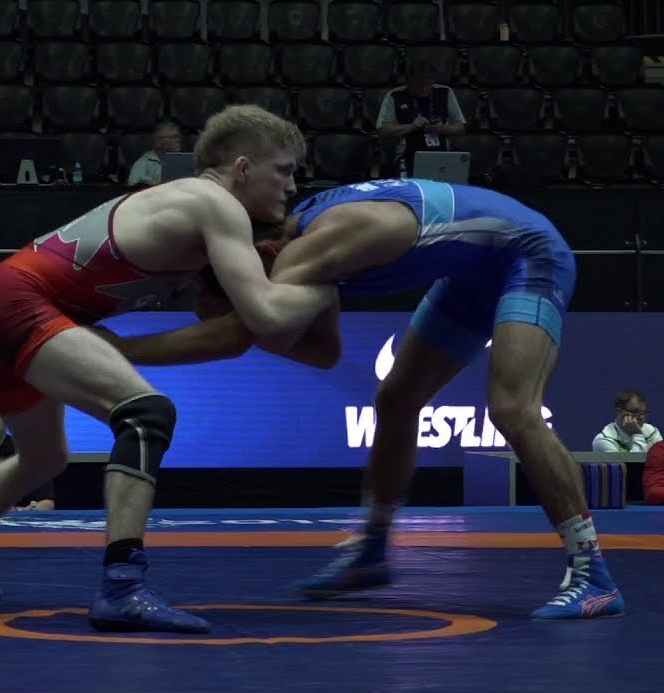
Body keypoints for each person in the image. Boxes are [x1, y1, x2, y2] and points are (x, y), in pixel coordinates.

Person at [0, 105, 337, 635]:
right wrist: (326, 285)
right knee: (146, 414)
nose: (292, 186)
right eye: (283, 170)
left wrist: (130, 349)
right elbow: (265, 315)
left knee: (43, 458)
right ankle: (122, 586)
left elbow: (240, 338)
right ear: (242, 168)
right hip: (21, 302)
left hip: (0, 304)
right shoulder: (215, 204)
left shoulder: (194, 213)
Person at [100, 177, 625, 620]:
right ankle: (372, 550)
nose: (223, 298)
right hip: (473, 272)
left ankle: (593, 573)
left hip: (529, 253)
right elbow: (324, 352)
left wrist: (120, 349)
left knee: (513, 407)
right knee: (396, 400)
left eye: (226, 288)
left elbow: (239, 334)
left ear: (258, 257)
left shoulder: (313, 247)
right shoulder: (306, 251)